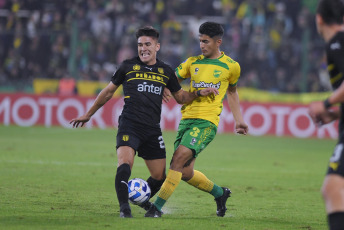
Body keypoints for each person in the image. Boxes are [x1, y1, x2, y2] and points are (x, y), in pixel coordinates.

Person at [70, 26, 218, 218]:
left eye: (147, 44)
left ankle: (140, 199)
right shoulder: (127, 66)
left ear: (157, 46)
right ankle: (124, 208)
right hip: (129, 124)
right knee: (125, 164)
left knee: (159, 176)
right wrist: (88, 114)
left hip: (152, 130)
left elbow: (181, 97)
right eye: (140, 45)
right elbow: (108, 92)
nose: (143, 48)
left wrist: (198, 93)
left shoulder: (165, 71)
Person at [145, 22, 248, 218]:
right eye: (200, 41)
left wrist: (239, 120)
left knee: (177, 160)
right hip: (186, 120)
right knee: (184, 172)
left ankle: (156, 207)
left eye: (206, 41)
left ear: (218, 42)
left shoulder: (231, 66)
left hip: (206, 122)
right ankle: (220, 193)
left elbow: (232, 93)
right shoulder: (192, 62)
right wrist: (166, 86)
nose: (202, 45)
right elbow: (172, 78)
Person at [308, 0, 344, 229]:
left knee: (332, 189)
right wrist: (335, 114)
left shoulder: (337, 44)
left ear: (318, 19)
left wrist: (326, 103)